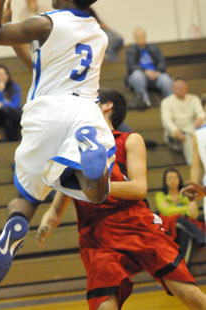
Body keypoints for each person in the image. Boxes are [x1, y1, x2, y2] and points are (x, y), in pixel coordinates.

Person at [0, 0, 116, 285]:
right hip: (85, 112)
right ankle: (87, 147)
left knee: (26, 199)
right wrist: (18, 39)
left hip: (44, 113)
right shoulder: (98, 34)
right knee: (96, 193)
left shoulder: (46, 23)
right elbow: (43, 67)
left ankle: (15, 226)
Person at [37, 89, 206, 310]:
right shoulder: (73, 152)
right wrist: (48, 220)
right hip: (97, 234)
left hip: (135, 222)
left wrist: (98, 188)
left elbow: (138, 188)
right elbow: (60, 203)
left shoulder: (130, 140)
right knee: (104, 305)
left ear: (107, 106)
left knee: (187, 292)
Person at [155, 168, 205, 264]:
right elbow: (166, 211)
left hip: (183, 228)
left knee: (185, 232)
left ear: (179, 179)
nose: (173, 180)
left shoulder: (185, 194)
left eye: (175, 177)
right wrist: (185, 209)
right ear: (165, 181)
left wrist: (176, 210)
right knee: (178, 219)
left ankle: (183, 265)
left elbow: (193, 214)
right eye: (169, 178)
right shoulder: (160, 195)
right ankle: (201, 236)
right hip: (168, 227)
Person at [160, 77, 205, 165]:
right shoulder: (166, 102)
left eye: (182, 88)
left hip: (192, 127)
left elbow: (201, 112)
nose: (180, 90)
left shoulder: (194, 98)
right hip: (176, 130)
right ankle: (192, 163)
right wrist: (175, 130)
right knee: (187, 137)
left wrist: (199, 119)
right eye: (178, 88)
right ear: (173, 89)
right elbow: (166, 121)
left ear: (186, 88)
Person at [125, 27, 173, 108]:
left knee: (166, 79)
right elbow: (131, 66)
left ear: (145, 36)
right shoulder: (131, 50)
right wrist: (145, 71)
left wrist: (157, 72)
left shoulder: (154, 48)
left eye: (141, 36)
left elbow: (162, 62)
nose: (140, 38)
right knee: (137, 75)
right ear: (134, 38)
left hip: (155, 75)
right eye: (137, 37)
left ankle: (170, 103)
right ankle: (144, 101)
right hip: (140, 76)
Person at [0, 64, 22, 142]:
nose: (3, 76)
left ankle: (12, 143)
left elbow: (16, 104)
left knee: (9, 121)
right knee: (4, 110)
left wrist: (2, 104)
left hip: (12, 114)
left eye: (4, 74)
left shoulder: (14, 86)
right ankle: (22, 120)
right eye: (0, 74)